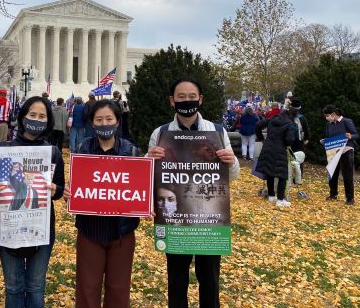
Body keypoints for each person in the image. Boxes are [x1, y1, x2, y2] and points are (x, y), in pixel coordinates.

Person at [147, 78, 240, 308]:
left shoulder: (216, 131)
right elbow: (149, 176)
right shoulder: (160, 134)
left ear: (200, 99)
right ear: (172, 101)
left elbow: (233, 176)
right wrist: (148, 161)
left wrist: (231, 161)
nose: (186, 101)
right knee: (177, 280)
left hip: (208, 219)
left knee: (209, 279)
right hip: (176, 219)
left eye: (191, 96)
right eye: (181, 97)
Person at [0, 96, 65, 308]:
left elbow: (59, 190)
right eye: (32, 115)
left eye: (42, 117)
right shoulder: (3, 150)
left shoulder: (53, 153)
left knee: (36, 286)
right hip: (9, 225)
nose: (36, 120)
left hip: (41, 225)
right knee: (13, 286)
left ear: (48, 122)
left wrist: (57, 190)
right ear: (22, 117)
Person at [64, 99, 141, 308]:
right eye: (99, 119)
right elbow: (77, 186)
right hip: (90, 230)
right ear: (92, 123)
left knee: (118, 289)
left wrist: (145, 203)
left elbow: (138, 189)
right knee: (87, 288)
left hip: (121, 233)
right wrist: (69, 193)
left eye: (109, 119)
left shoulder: (131, 151)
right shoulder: (83, 148)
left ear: (117, 122)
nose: (104, 123)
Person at [254, 107, 298, 207]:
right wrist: (287, 144)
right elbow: (290, 139)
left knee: (270, 171)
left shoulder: (273, 118)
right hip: (280, 149)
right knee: (282, 174)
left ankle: (271, 195)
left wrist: (261, 138)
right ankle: (280, 199)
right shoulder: (290, 124)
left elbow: (258, 125)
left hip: (268, 146)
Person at [321, 105, 359, 205]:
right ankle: (333, 194)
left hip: (346, 150)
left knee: (347, 175)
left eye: (328, 115)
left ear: (334, 114)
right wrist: (324, 141)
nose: (327, 118)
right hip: (333, 151)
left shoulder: (346, 121)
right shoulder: (329, 124)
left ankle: (350, 198)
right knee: (332, 173)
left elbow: (356, 135)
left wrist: (351, 136)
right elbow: (328, 137)